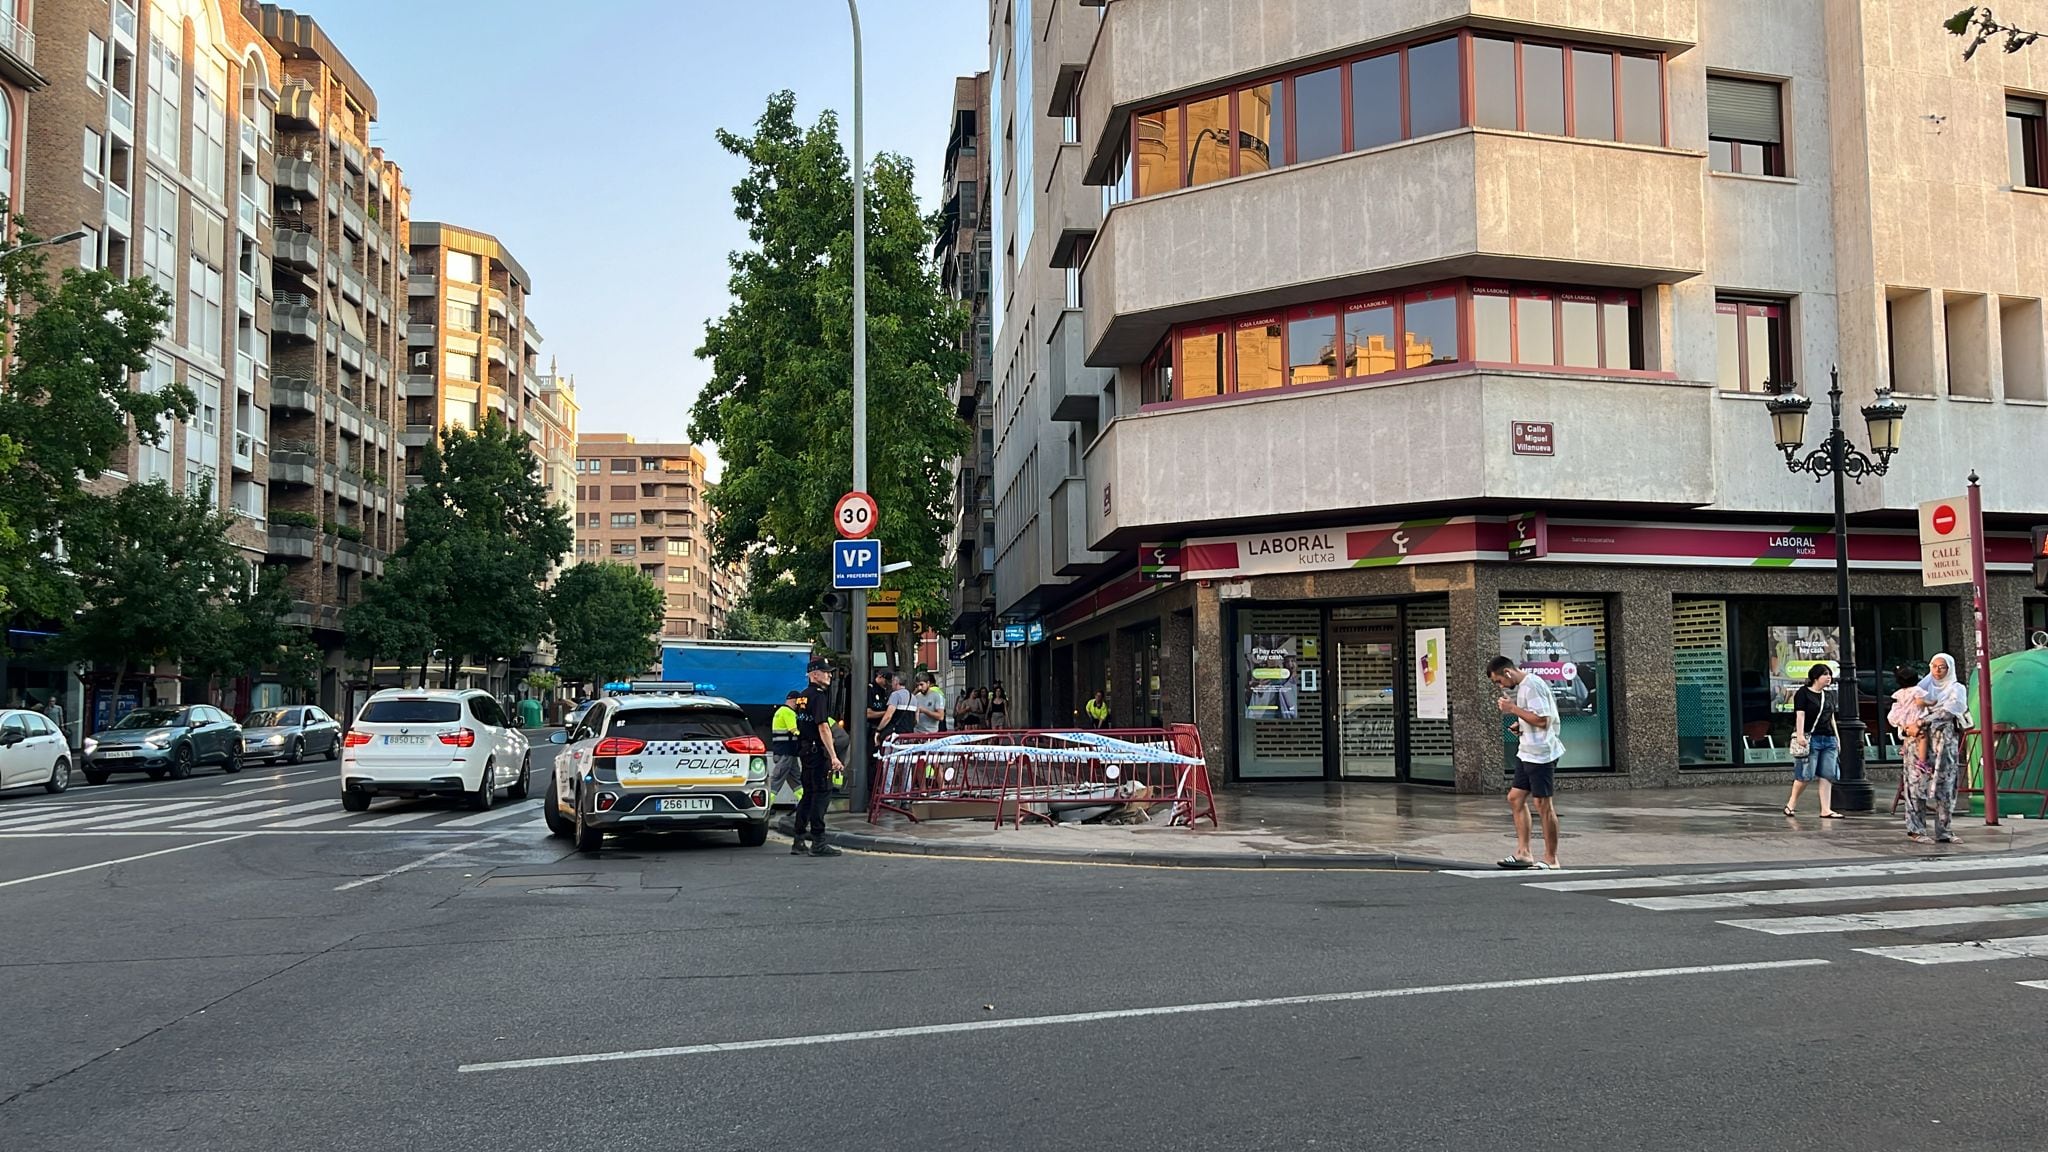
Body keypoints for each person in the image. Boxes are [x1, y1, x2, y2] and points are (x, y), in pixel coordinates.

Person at [1490, 656, 1564, 870]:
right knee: (1515, 798)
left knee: (1543, 805)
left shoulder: (1532, 685)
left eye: (1498, 681)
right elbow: (1533, 717)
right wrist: (1519, 724)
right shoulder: (1524, 686)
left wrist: (1512, 709)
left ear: (1507, 673)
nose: (1500, 686)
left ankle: (1551, 858)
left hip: (1541, 754)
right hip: (1527, 751)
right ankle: (1523, 853)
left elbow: (1543, 720)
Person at [1904, 653, 1970, 845]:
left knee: (1946, 786)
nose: (1938, 671)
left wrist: (1923, 720)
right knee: (1916, 785)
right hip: (1918, 741)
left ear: (1950, 669)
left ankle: (1944, 831)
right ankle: (1916, 829)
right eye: (1934, 666)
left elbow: (1949, 710)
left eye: (1942, 667)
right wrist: (1909, 727)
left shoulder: (1956, 688)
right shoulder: (1921, 689)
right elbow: (1903, 708)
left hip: (1943, 742)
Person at [790, 660, 845, 857]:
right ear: (814, 674)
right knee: (821, 794)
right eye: (825, 672)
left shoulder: (803, 697)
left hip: (805, 751)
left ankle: (798, 839)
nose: (829, 675)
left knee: (808, 795)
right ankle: (818, 841)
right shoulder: (818, 697)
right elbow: (823, 727)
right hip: (816, 752)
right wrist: (833, 756)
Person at [1783, 662, 1844, 819]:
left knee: (1827, 774)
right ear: (1815, 677)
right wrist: (1800, 735)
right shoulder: (1803, 693)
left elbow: (1831, 718)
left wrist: (1837, 739)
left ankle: (1826, 809)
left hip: (1828, 738)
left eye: (1829, 674)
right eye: (1825, 674)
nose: (1828, 677)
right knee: (1805, 775)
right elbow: (1800, 714)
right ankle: (1791, 804)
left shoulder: (1828, 695)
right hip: (1811, 738)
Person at [769, 690, 803, 807]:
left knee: (796, 779)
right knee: (777, 779)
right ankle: (767, 804)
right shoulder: (788, 712)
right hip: (786, 753)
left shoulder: (779, 711)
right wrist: (805, 736)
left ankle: (804, 803)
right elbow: (793, 730)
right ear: (794, 701)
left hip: (785, 752)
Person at [879, 673, 914, 746]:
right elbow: (916, 720)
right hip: (909, 736)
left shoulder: (895, 695)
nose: (891, 683)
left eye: (892, 681)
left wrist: (878, 729)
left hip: (896, 736)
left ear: (896, 682)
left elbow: (888, 716)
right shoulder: (913, 697)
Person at [865, 669, 893, 749]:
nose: (888, 684)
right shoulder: (870, 690)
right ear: (880, 677)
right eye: (886, 681)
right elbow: (868, 714)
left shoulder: (884, 691)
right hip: (871, 729)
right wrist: (887, 713)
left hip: (882, 729)